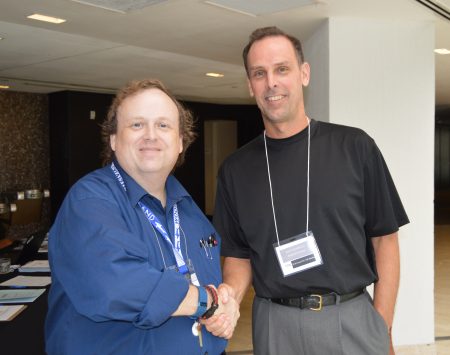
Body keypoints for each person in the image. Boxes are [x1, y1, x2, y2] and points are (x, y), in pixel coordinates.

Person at [212, 26, 409, 355]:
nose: (271, 82)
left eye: (282, 69)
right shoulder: (234, 169)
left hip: (351, 318)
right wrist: (229, 296)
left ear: (303, 74)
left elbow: (385, 239)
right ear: (250, 85)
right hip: (275, 324)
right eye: (259, 73)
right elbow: (237, 254)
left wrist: (381, 325)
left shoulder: (355, 147)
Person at [45, 79, 239, 355]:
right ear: (113, 139)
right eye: (137, 124)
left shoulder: (189, 211)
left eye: (163, 125)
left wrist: (225, 306)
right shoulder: (90, 201)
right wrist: (209, 300)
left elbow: (208, 283)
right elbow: (117, 287)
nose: (151, 135)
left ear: (180, 142)